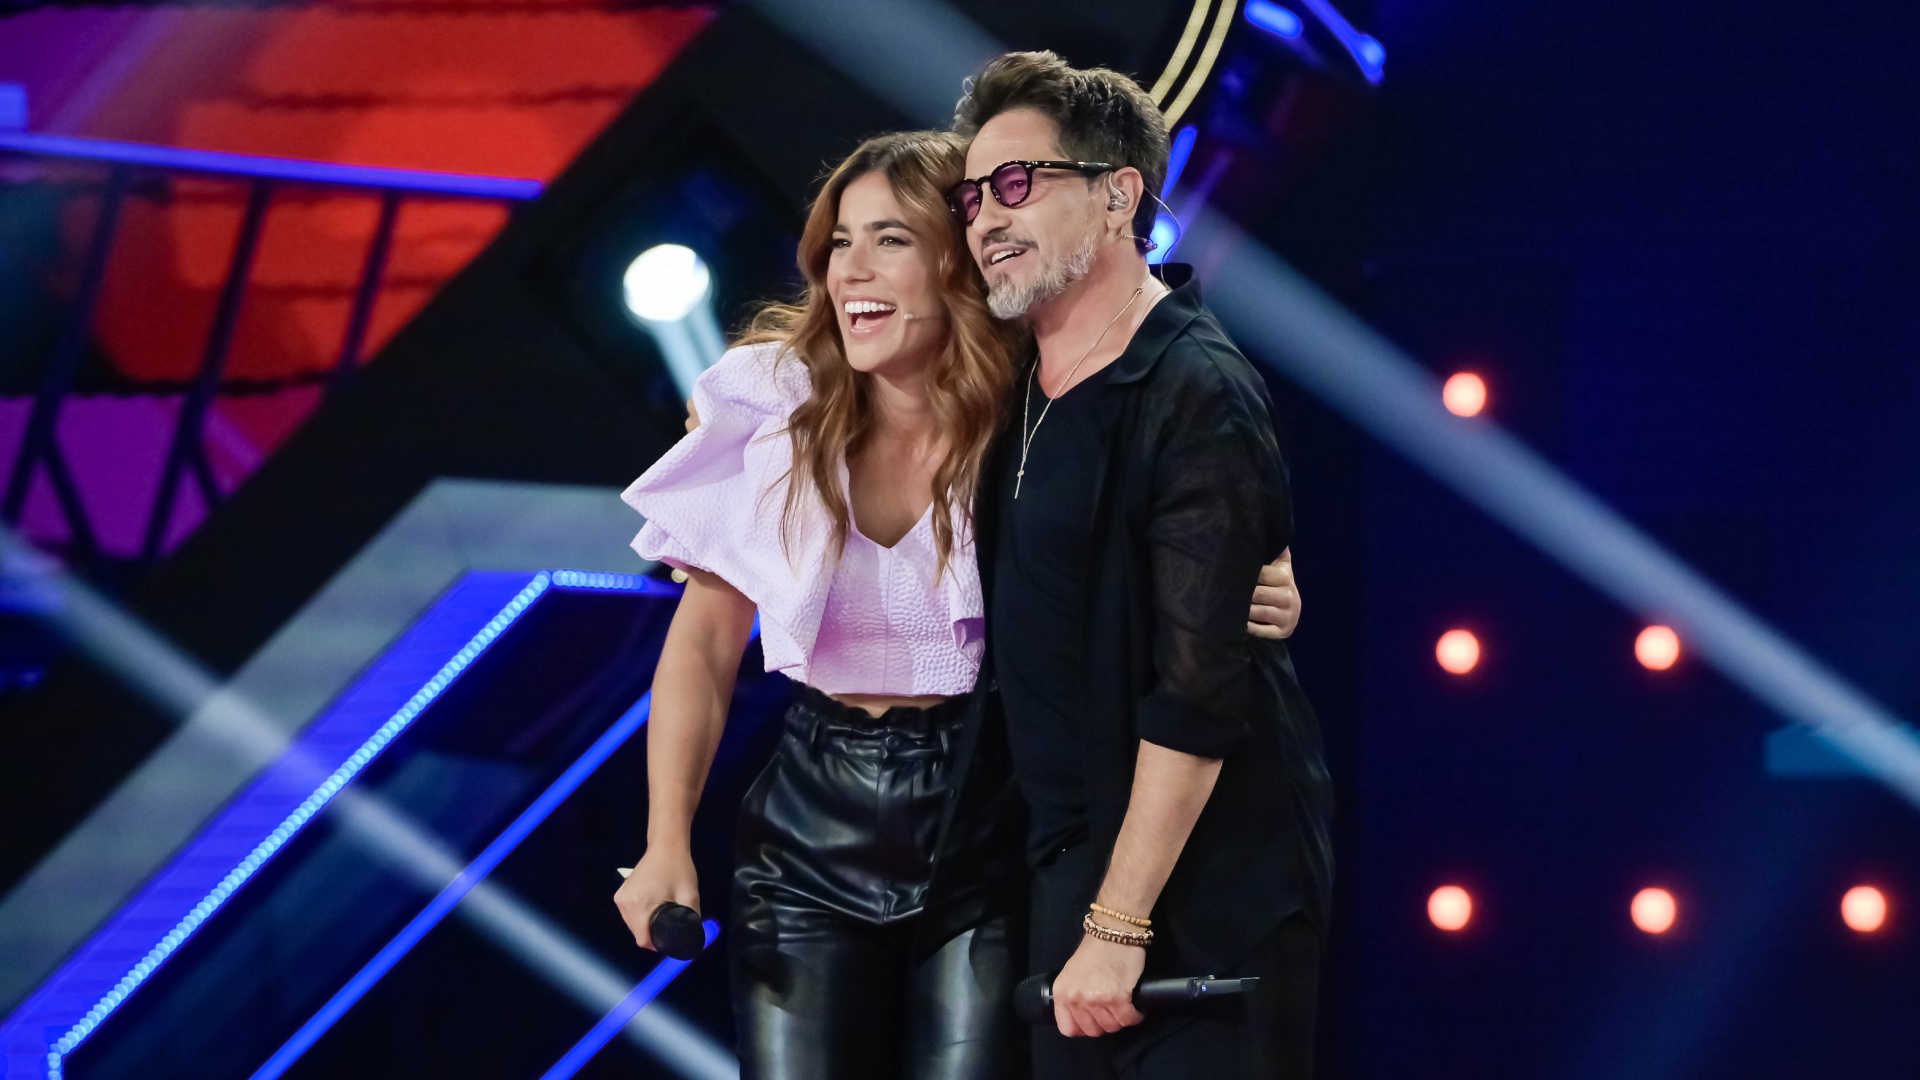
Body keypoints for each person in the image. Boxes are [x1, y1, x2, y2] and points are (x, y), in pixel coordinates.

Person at [613, 129, 1302, 1078]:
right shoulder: (775, 407)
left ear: (960, 257)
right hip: (807, 827)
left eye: (891, 239)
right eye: (840, 242)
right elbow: (702, 646)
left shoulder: (1040, 412)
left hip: (986, 820)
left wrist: (1259, 575)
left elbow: (1185, 495)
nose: (852, 269)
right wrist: (665, 843)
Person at [945, 52, 1335, 1079]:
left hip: (1197, 896)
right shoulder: (1017, 380)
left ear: (1119, 197)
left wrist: (1119, 924)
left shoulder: (1196, 387)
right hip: (1068, 875)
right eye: (972, 197)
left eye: (1017, 183)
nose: (985, 218)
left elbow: (1199, 693)